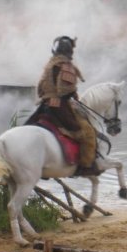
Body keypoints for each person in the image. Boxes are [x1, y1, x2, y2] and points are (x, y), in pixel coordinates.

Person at [34, 36, 97, 171]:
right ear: (69, 52)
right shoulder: (66, 66)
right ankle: (85, 166)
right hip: (59, 106)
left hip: (44, 106)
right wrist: (73, 94)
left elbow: (40, 88)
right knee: (87, 133)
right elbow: (64, 91)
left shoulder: (49, 65)